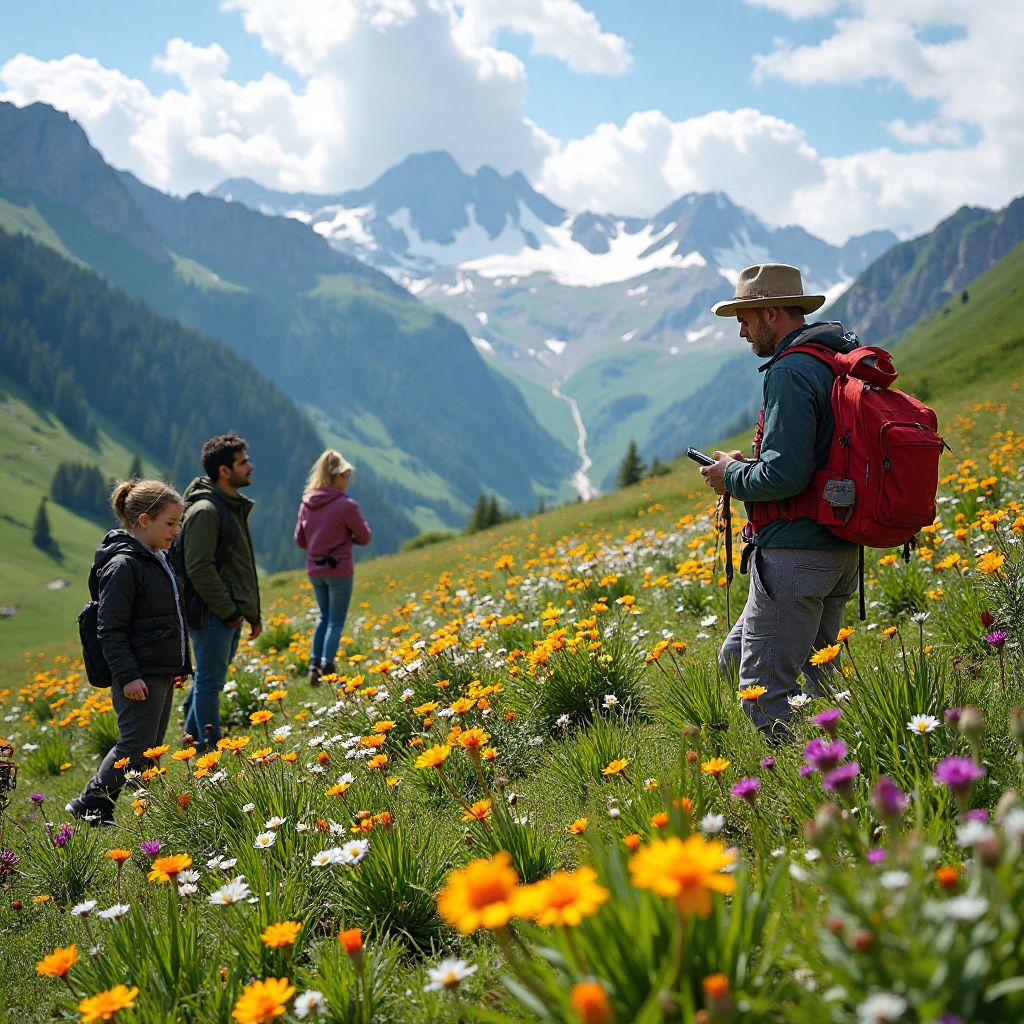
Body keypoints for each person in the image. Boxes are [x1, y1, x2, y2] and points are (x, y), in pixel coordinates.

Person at [700, 264, 860, 739]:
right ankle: (843, 752)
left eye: (745, 319)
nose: (742, 331)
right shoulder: (831, 357)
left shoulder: (790, 370)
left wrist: (730, 476)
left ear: (771, 313)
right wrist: (744, 465)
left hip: (796, 555)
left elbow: (786, 475)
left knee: (765, 688)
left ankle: (803, 787)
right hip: (837, 548)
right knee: (751, 661)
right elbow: (810, 455)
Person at [66, 480, 190, 826]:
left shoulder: (157, 558)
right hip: (139, 672)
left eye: (178, 523)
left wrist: (181, 664)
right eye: (170, 523)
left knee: (150, 748)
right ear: (145, 520)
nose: (175, 531)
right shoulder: (123, 564)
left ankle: (146, 812)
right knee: (133, 746)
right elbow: (110, 628)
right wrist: (128, 676)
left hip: (160, 668)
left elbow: (174, 615)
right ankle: (90, 804)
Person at [180, 434, 261, 749]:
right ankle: (208, 749)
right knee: (210, 683)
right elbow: (199, 568)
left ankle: (192, 742)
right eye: (242, 462)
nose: (250, 467)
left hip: (228, 612)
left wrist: (250, 614)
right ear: (224, 471)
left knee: (208, 681)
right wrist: (228, 611)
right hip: (213, 613)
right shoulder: (206, 511)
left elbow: (235, 567)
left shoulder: (228, 506)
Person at [294, 449, 371, 684]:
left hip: (315, 569)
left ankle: (313, 665)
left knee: (323, 617)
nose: (348, 480)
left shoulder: (307, 503)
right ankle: (328, 666)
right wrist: (348, 538)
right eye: (345, 475)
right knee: (336, 621)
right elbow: (364, 537)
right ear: (334, 476)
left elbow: (300, 539)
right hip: (339, 570)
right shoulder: (346, 505)